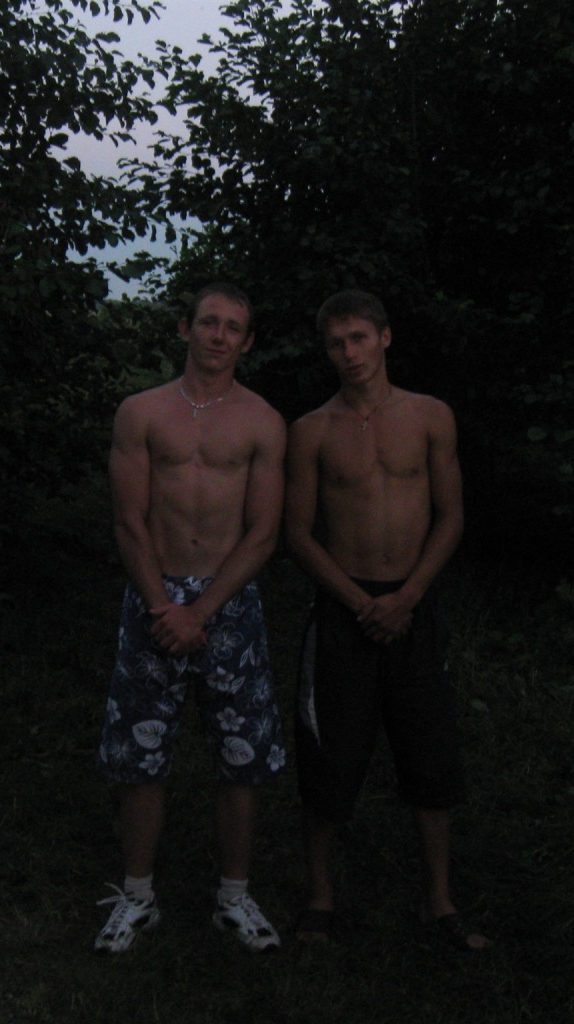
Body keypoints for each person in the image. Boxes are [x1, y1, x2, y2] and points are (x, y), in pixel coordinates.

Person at [285, 289, 489, 950]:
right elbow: (298, 532)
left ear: (385, 338)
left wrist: (409, 596)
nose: (349, 353)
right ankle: (320, 899)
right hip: (344, 607)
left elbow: (451, 515)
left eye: (359, 338)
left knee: (430, 753)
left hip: (413, 605)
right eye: (336, 343)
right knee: (328, 754)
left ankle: (439, 901)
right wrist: (358, 601)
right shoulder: (312, 430)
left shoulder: (430, 416)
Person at [95, 283, 287, 954]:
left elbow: (263, 532)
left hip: (229, 604)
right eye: (209, 322)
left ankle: (234, 897)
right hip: (154, 593)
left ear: (247, 341)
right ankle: (137, 897)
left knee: (241, 753)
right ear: (185, 328)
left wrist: (201, 610)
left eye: (233, 327)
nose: (218, 335)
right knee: (140, 753)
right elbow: (129, 519)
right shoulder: (142, 412)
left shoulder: (263, 421)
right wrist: (162, 607)